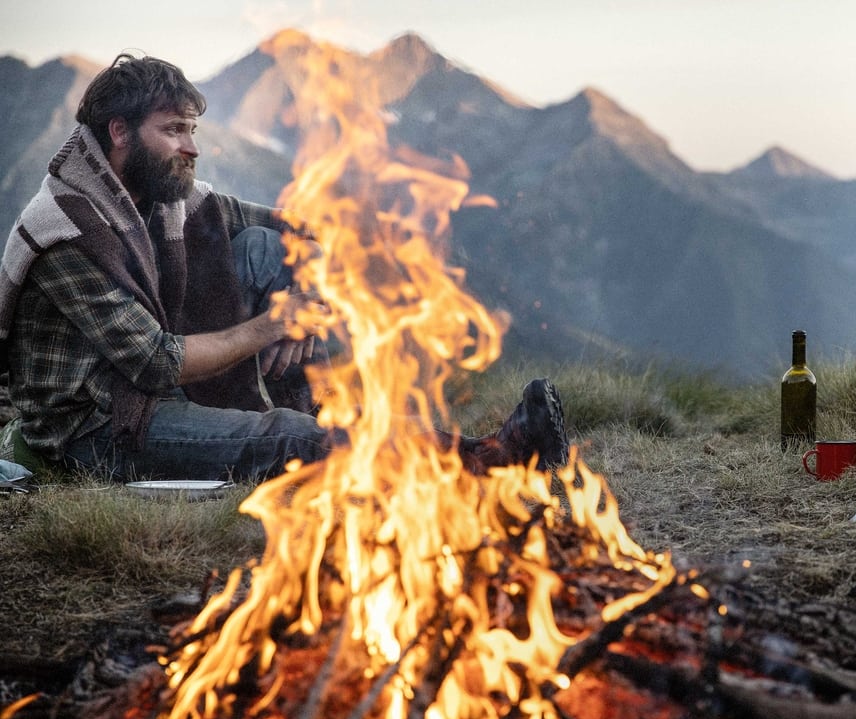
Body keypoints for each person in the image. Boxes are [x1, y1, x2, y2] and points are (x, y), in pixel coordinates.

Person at [0, 53, 568, 482]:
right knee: (285, 440)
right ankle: (486, 459)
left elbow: (284, 226)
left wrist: (347, 258)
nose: (192, 148)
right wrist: (273, 325)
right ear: (119, 132)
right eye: (174, 131)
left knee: (263, 249)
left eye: (192, 130)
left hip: (147, 386)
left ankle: (320, 411)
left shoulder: (151, 194)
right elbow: (155, 362)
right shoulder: (70, 232)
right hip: (99, 426)